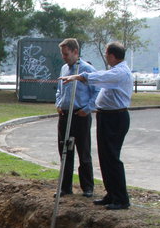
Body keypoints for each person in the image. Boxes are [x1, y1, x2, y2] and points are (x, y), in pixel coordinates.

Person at [60, 41, 133, 210]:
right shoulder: (115, 71)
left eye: (107, 54)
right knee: (105, 157)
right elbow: (101, 79)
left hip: (115, 117)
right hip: (106, 116)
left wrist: (78, 77)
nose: (106, 57)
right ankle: (111, 194)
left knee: (112, 157)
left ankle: (121, 198)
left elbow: (99, 78)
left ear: (112, 56)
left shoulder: (120, 72)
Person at [55, 38, 96, 197]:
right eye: (62, 54)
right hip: (65, 115)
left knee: (83, 150)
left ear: (75, 52)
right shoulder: (64, 68)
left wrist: (87, 109)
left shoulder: (87, 69)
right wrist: (58, 103)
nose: (64, 57)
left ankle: (87, 187)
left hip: (80, 115)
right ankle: (65, 187)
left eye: (66, 54)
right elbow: (59, 90)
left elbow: (97, 92)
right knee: (65, 150)